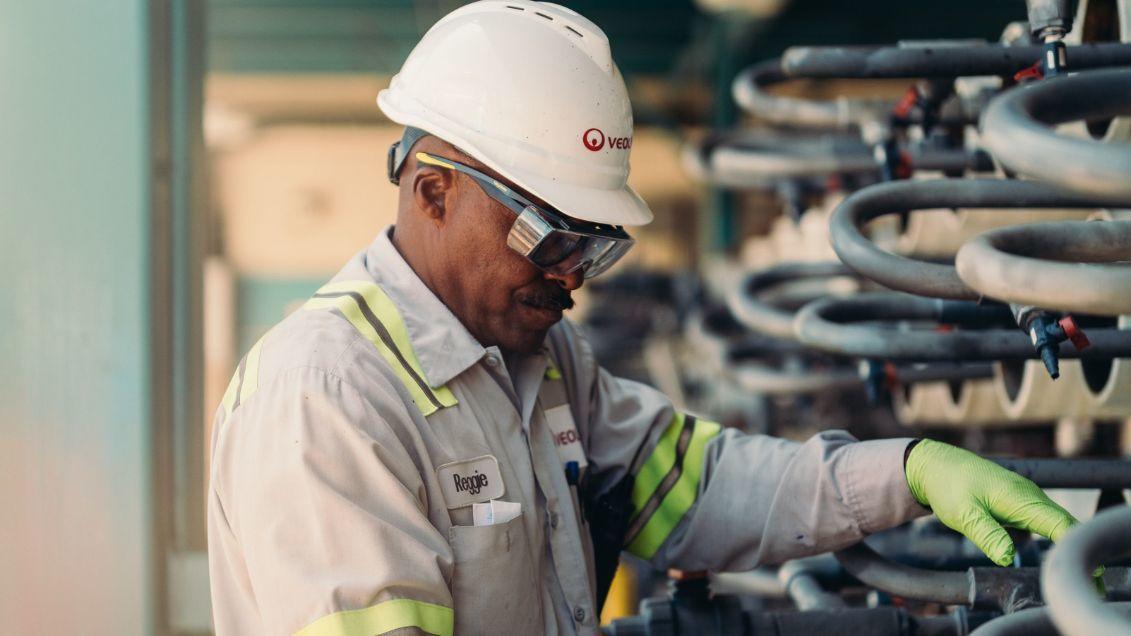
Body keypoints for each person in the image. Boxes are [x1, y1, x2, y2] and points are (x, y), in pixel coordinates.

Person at [206, 2, 1079, 634]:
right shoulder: (327, 398)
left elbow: (695, 486)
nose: (570, 279)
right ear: (432, 191)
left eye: (595, 247)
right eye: (550, 237)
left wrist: (910, 470)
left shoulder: (536, 358)